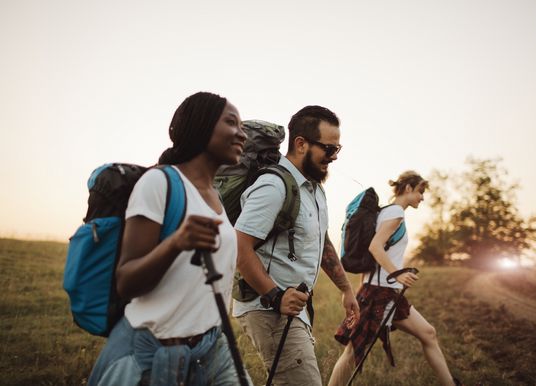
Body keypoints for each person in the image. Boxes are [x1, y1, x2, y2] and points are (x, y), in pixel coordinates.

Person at [87, 92, 252, 386]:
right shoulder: (159, 182)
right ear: (201, 125)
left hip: (212, 348)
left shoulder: (215, 195)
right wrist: (176, 243)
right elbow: (126, 281)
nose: (242, 133)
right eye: (232, 123)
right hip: (154, 353)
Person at [233, 106, 360, 386]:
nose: (334, 157)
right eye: (328, 149)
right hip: (268, 308)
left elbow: (321, 241)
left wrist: (346, 289)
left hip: (291, 308)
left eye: (337, 148)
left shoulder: (313, 189)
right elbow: (239, 247)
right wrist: (276, 296)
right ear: (301, 144)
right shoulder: (273, 186)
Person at [328, 171, 462, 386]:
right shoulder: (396, 212)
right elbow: (375, 247)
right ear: (408, 188)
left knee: (428, 333)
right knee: (353, 352)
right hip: (377, 292)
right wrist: (397, 274)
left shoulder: (388, 212)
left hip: (385, 290)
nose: (422, 197)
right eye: (420, 191)